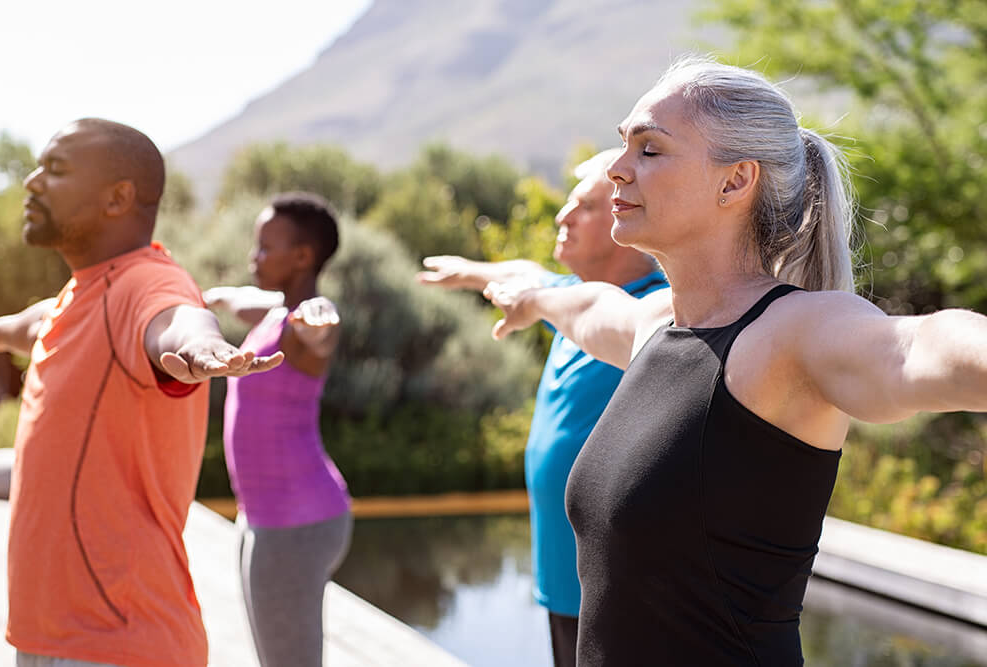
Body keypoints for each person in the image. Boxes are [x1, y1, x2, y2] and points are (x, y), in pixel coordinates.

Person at [482, 56, 987, 666]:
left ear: (734, 181)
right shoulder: (657, 326)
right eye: (625, 146)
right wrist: (531, 297)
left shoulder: (792, 334)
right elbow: (585, 306)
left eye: (649, 150)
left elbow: (919, 348)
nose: (617, 170)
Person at [0, 118, 283, 667]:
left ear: (118, 197)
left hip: (120, 645)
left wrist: (203, 351)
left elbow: (178, 320)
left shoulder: (147, 283)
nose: (31, 181)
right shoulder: (75, 300)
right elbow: (16, 327)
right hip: (44, 639)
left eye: (55, 169)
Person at [417, 151, 667, 667]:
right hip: (564, 584)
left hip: (624, 594)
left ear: (629, 219)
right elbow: (526, 272)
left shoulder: (656, 313)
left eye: (584, 206)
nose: (562, 217)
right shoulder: (570, 297)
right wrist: (469, 272)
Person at [203, 192, 352, 667]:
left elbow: (320, 327)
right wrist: (205, 299)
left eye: (266, 248)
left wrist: (317, 324)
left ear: (303, 257)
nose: (254, 256)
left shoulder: (302, 323)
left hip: (295, 522)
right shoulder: (273, 313)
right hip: (267, 516)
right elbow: (239, 299)